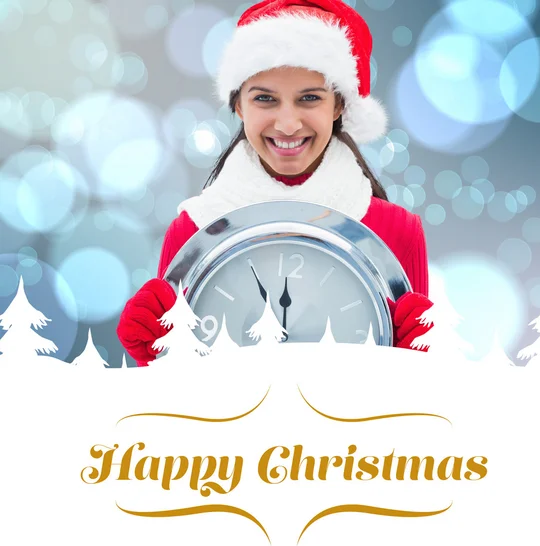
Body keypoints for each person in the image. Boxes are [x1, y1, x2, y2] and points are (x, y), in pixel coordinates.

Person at [117, 0, 433, 367]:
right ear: (238, 105)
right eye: (265, 98)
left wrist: (422, 367)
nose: (287, 124)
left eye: (310, 98)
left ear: (338, 106)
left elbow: (408, 409)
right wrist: (153, 360)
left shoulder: (398, 232)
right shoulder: (191, 230)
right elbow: (180, 400)